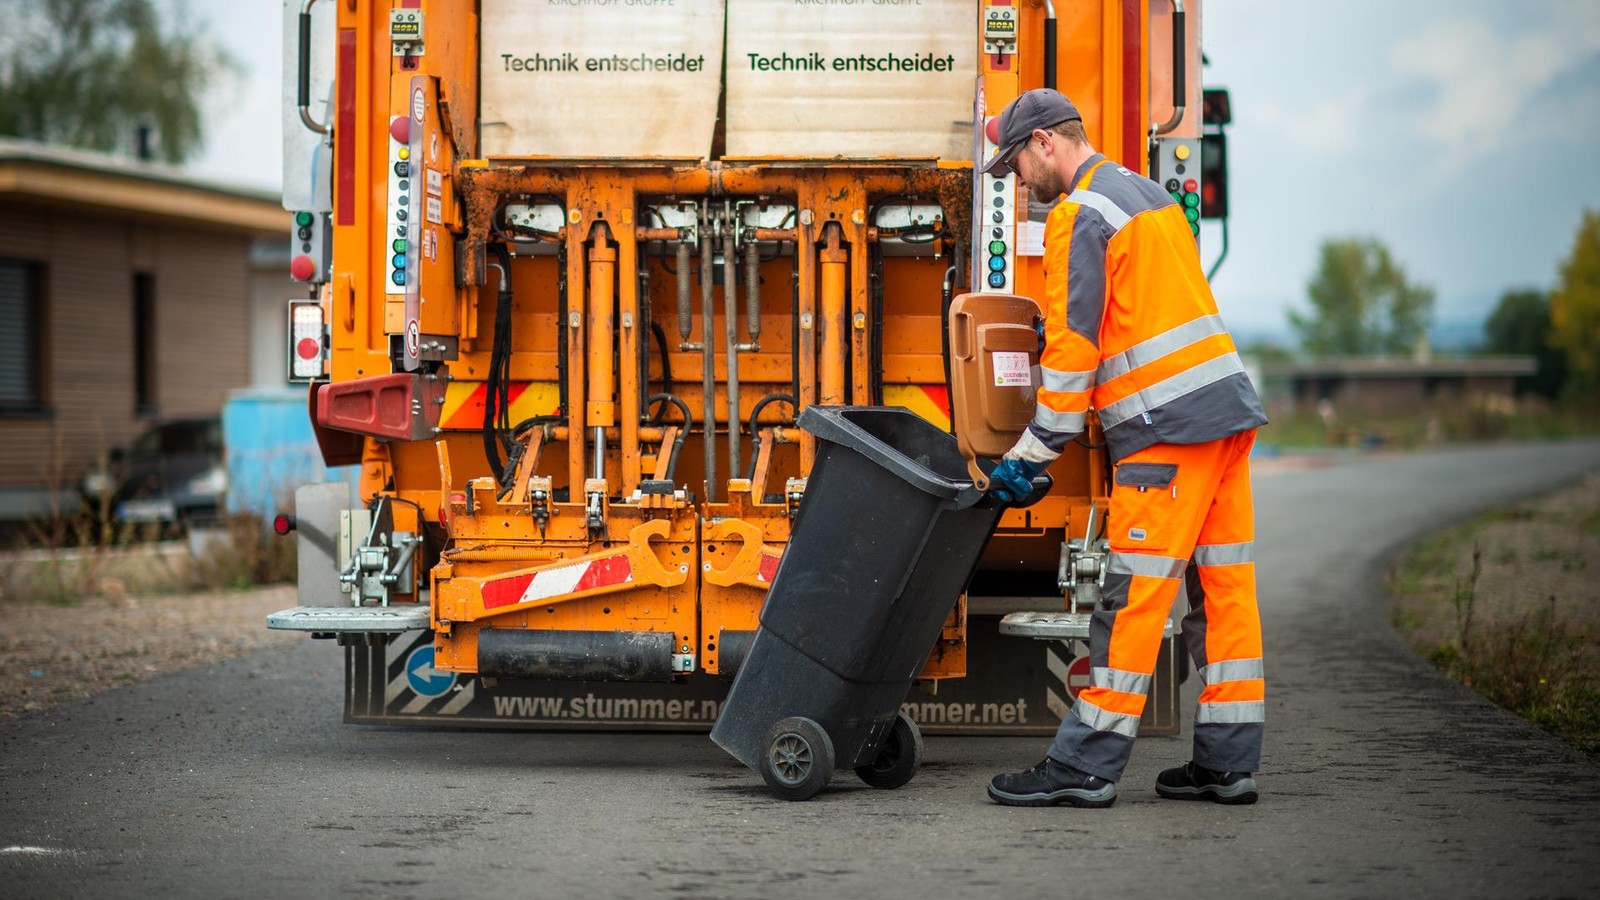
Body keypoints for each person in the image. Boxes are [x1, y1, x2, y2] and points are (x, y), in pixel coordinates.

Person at [980, 89, 1268, 808]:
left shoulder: (1079, 214)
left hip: (1169, 433)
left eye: (1016, 163)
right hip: (1224, 415)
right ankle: (1228, 763)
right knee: (1224, 592)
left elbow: (1073, 355)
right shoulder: (1145, 195)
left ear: (1045, 143)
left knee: (1132, 598)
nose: (1018, 181)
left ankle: (1084, 766)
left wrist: (1030, 455)